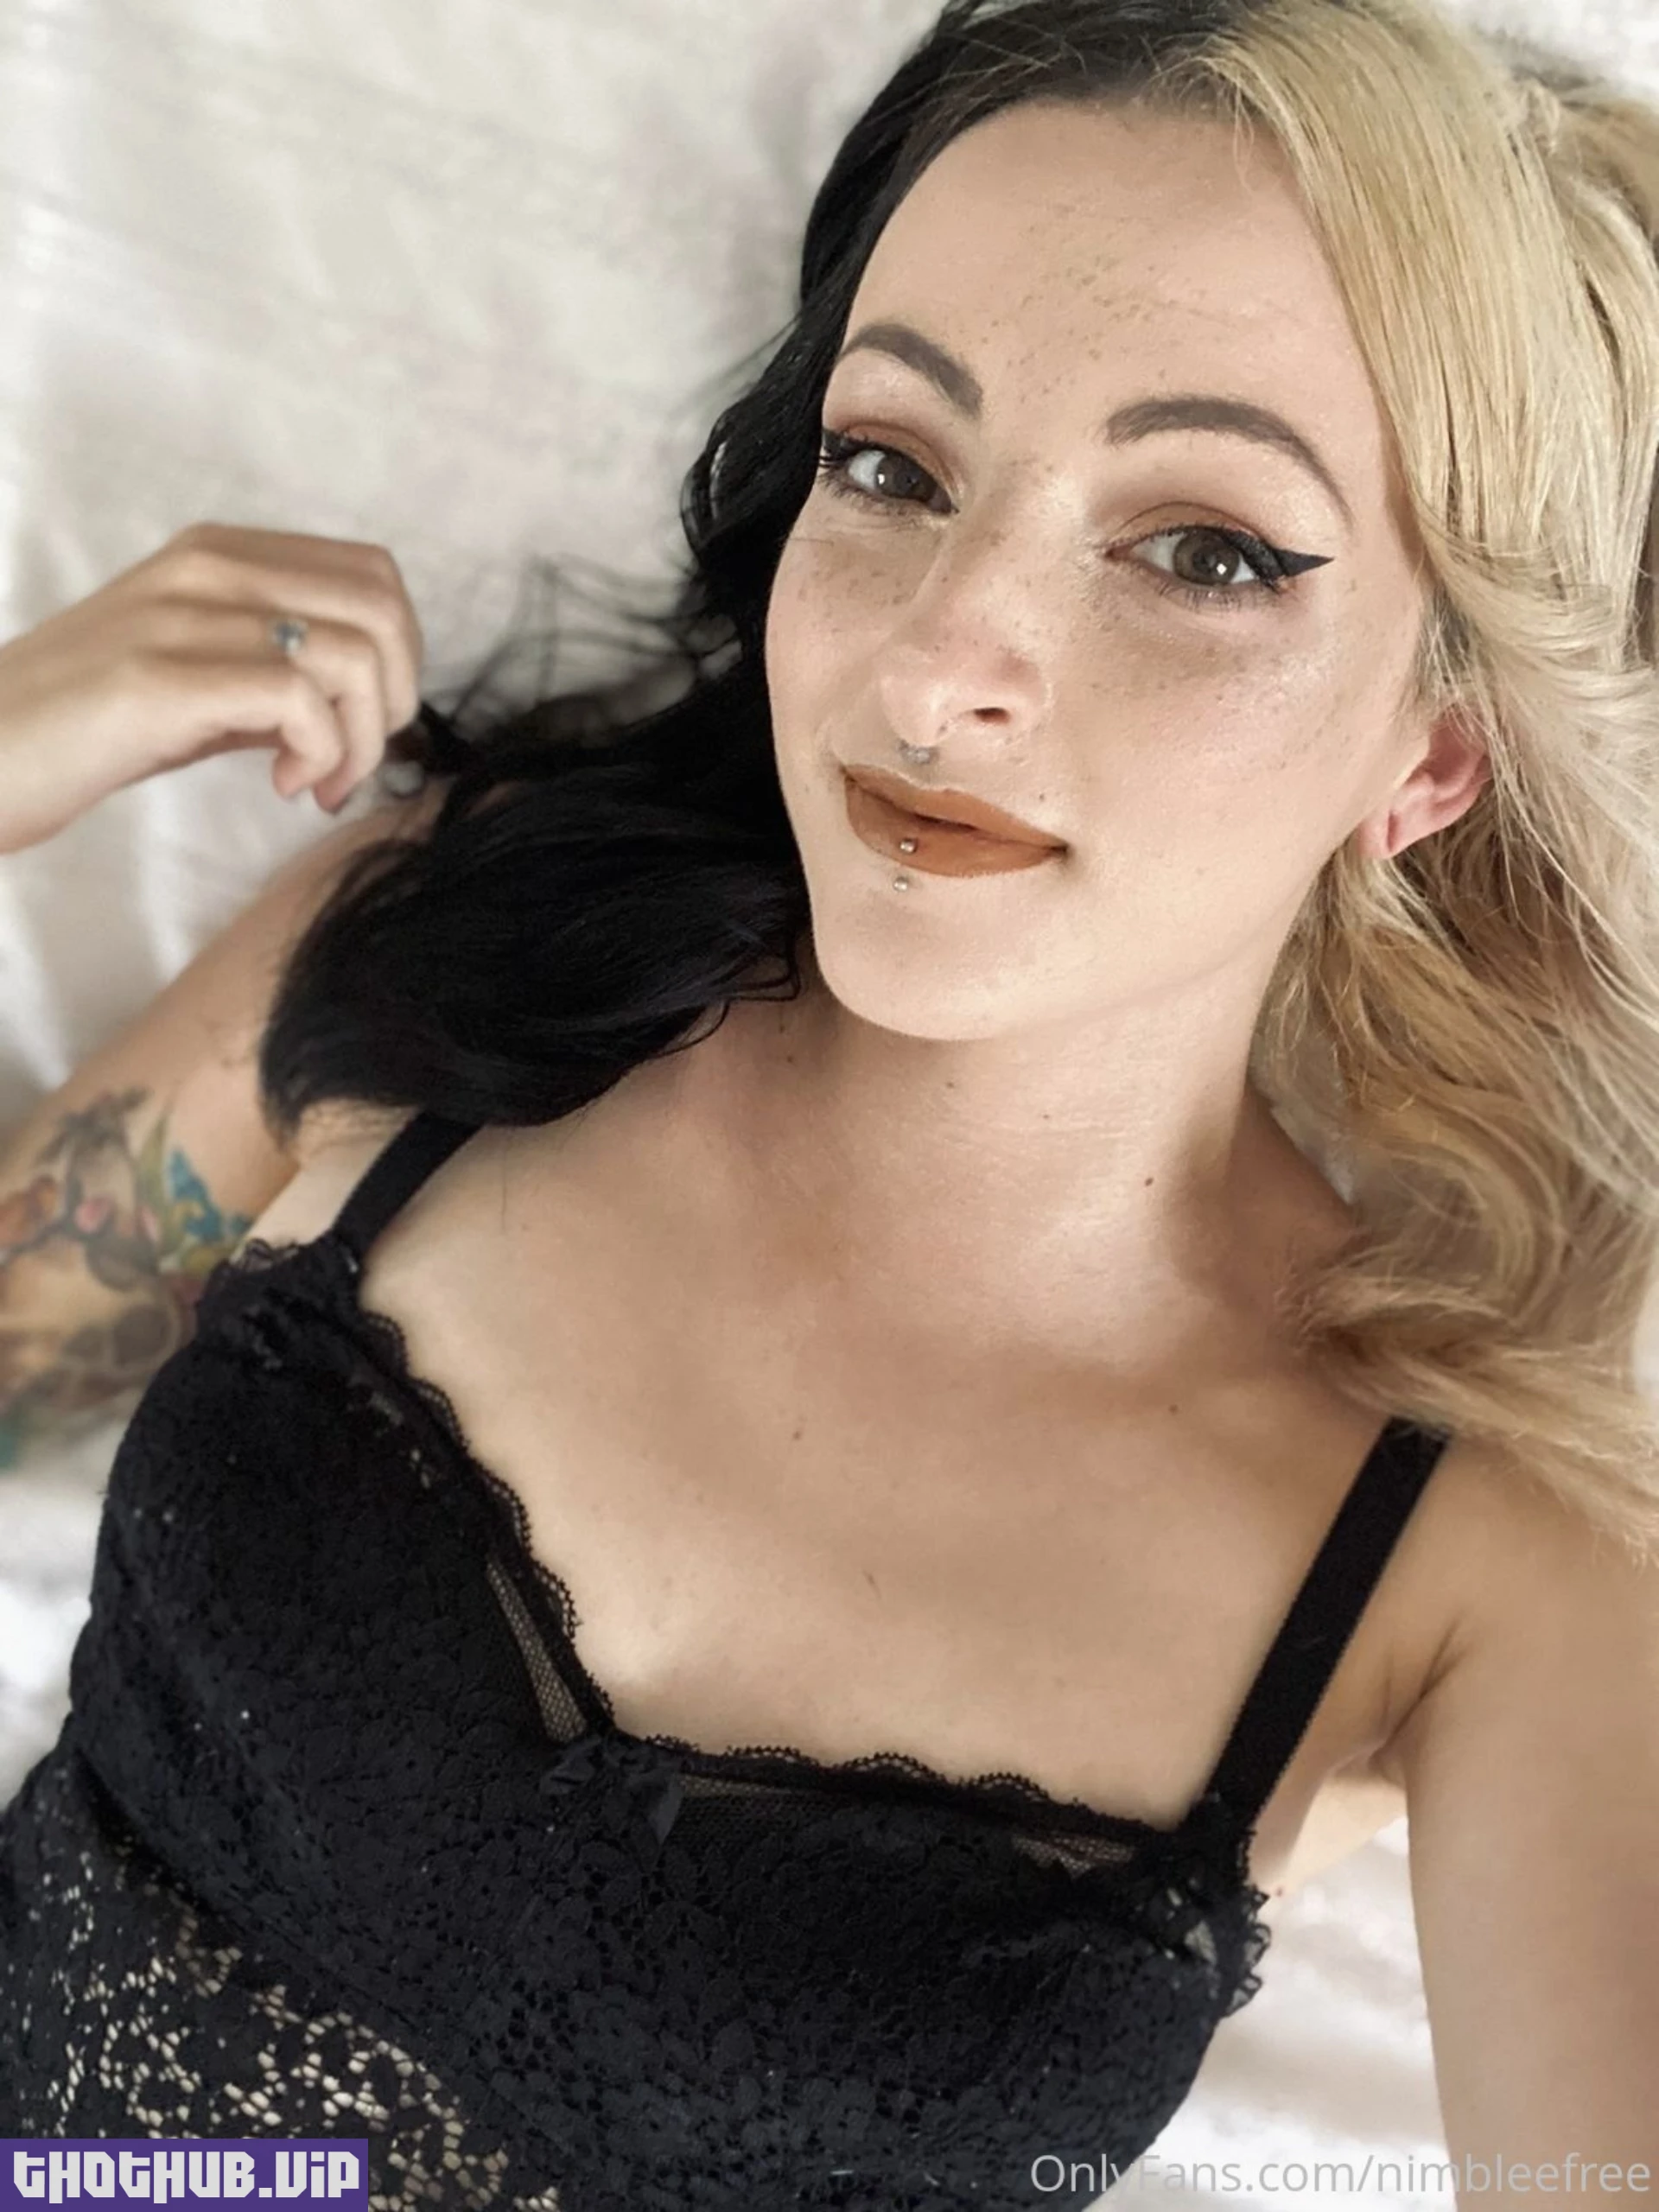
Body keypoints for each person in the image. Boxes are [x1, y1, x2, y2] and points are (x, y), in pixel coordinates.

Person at [2, 0, 1656, 2200]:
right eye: (893, 464)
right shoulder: (472, 953)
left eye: (1207, 548)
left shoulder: (1486, 1571)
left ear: (1433, 753)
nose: (940, 658)